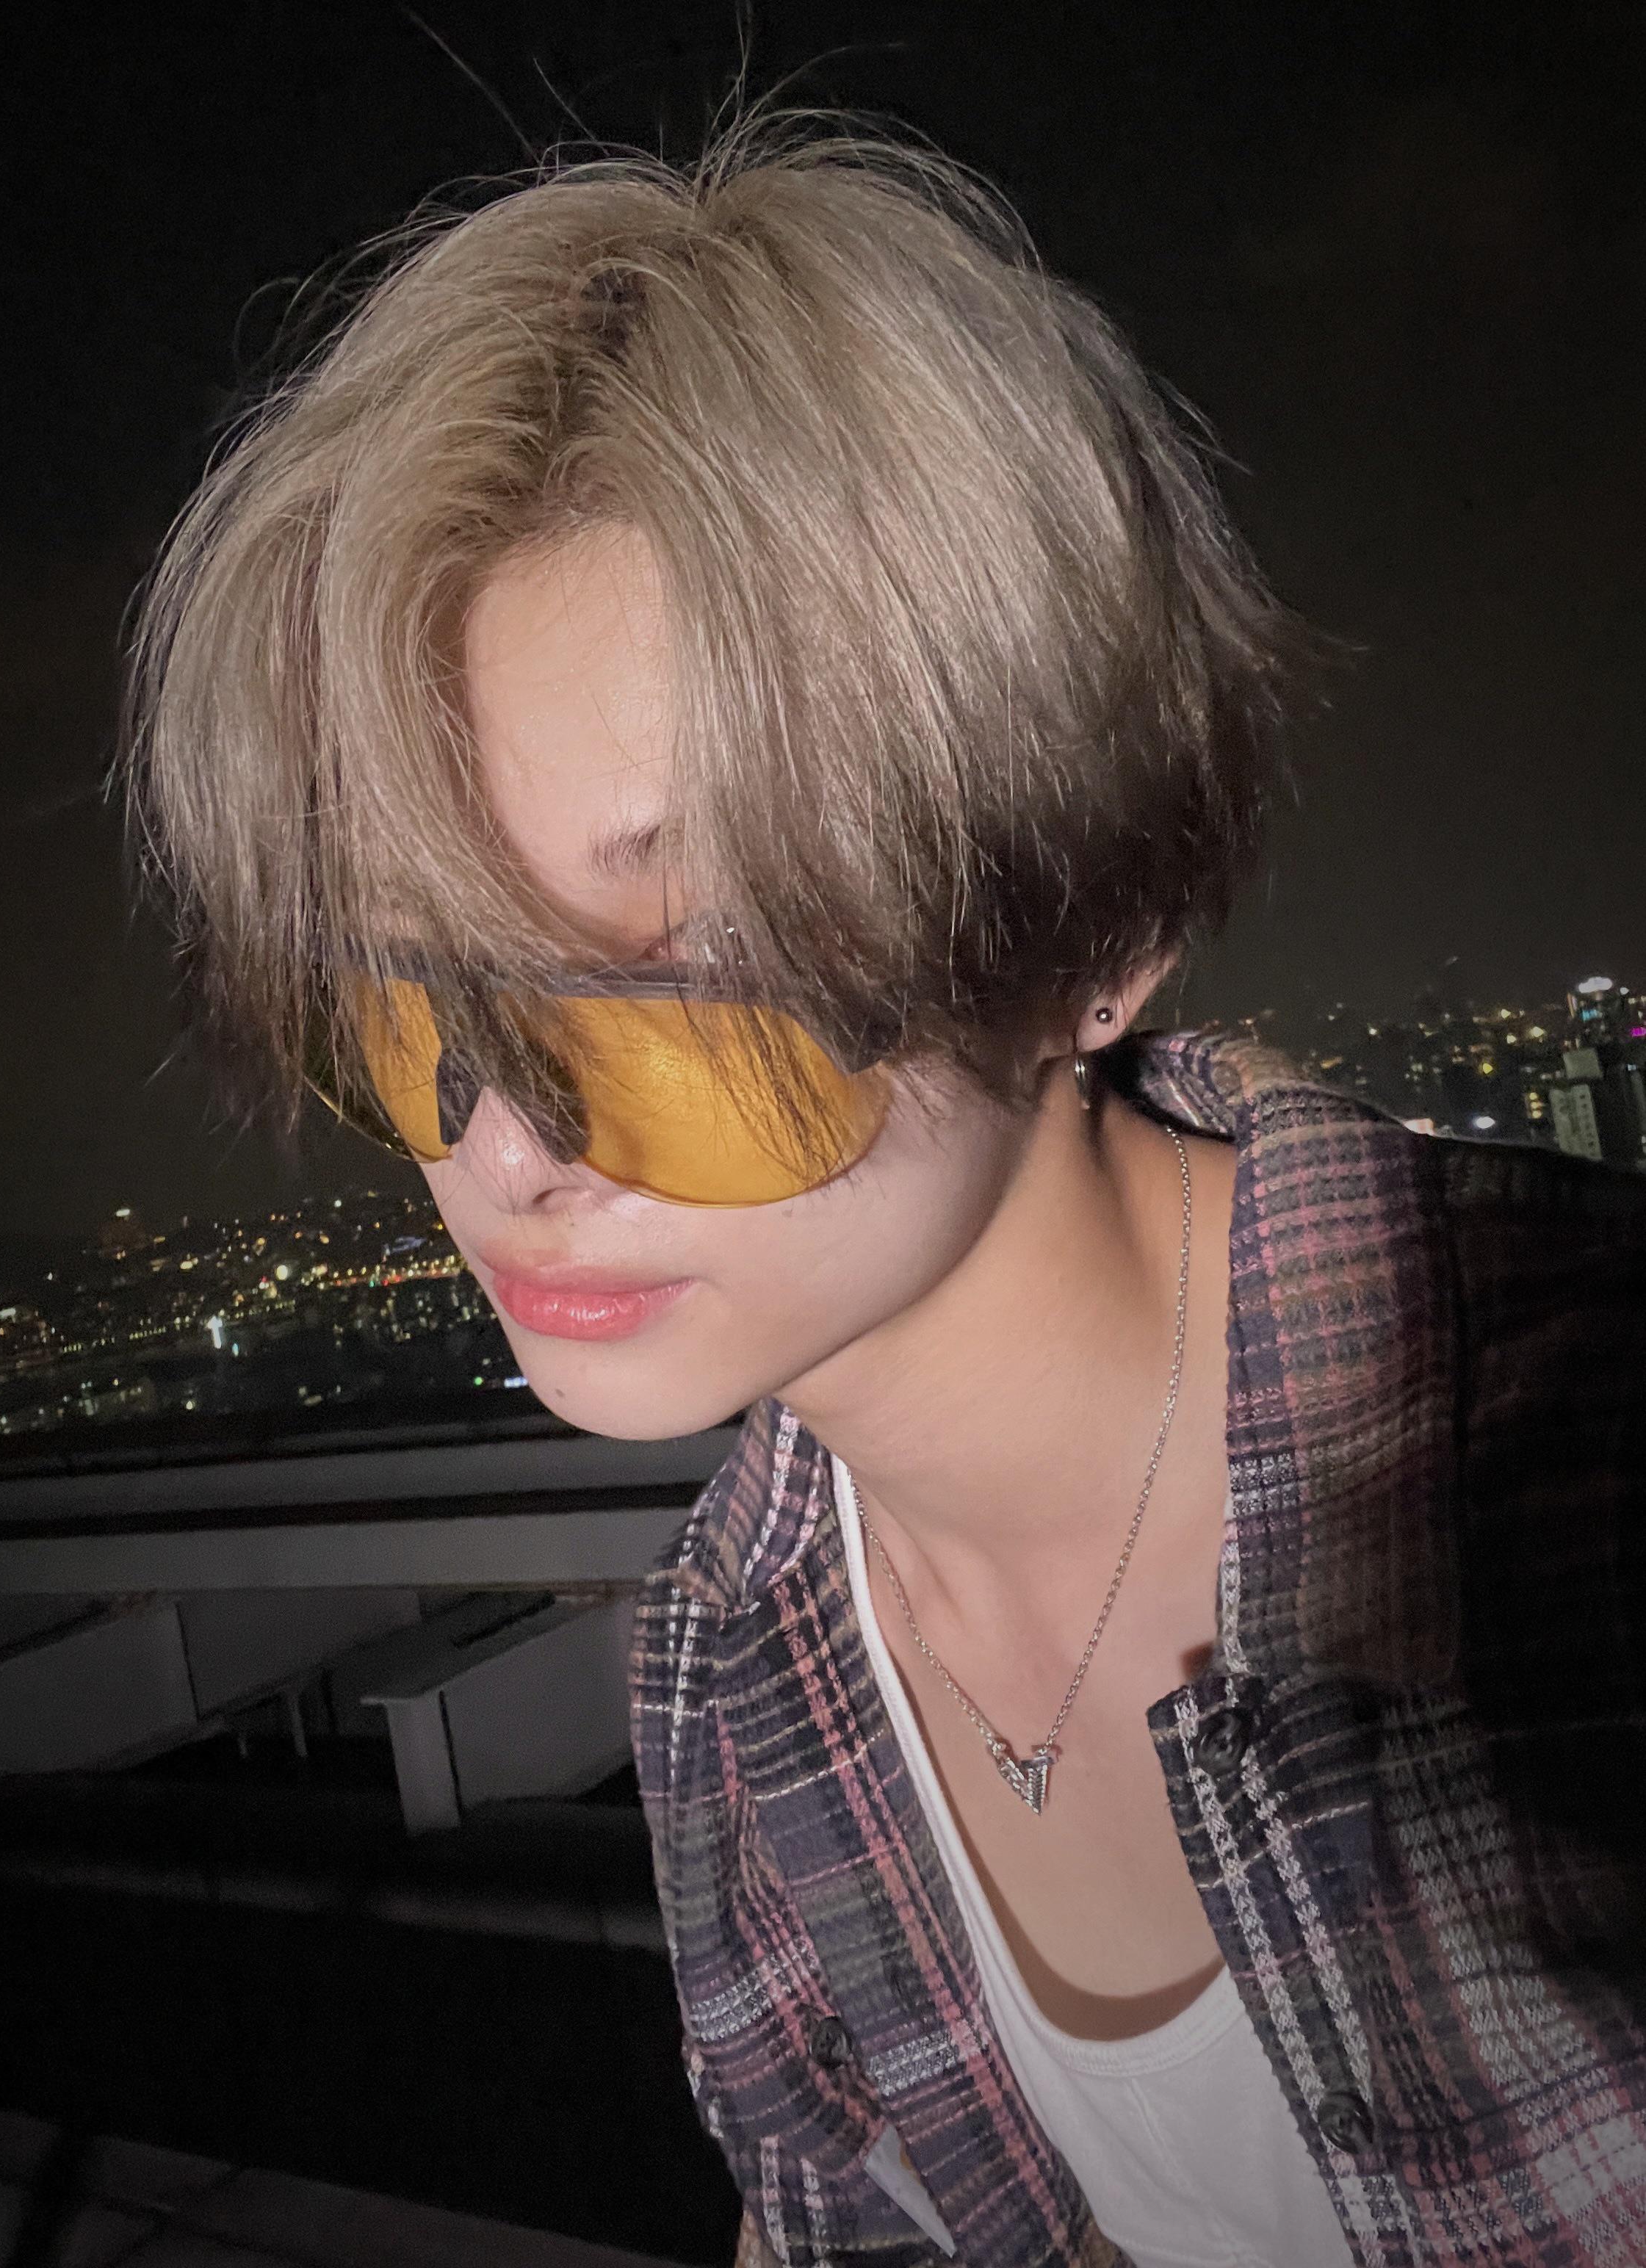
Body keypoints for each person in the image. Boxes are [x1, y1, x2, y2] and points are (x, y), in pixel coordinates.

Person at [121, 103, 1646, 2268]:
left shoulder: (1568, 1480)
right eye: (399, 986)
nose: (506, 1146)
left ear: (1097, 934)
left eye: (673, 978)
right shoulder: (732, 1670)